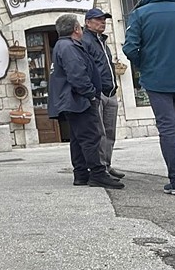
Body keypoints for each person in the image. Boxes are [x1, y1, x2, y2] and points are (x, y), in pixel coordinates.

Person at [123, 0, 175, 196]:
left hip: (157, 80)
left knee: (167, 128)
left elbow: (130, 48)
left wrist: (145, 65)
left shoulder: (140, 14)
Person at [48, 13, 122, 189]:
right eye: (80, 27)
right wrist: (91, 94)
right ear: (76, 29)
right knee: (91, 136)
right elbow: (77, 74)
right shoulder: (69, 47)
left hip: (72, 100)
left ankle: (81, 174)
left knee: (77, 138)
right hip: (78, 100)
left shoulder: (64, 45)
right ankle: (97, 174)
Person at [81, 7, 125, 181]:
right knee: (99, 133)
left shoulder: (102, 41)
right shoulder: (86, 41)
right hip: (98, 94)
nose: (102, 22)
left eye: (104, 19)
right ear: (88, 22)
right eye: (98, 19)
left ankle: (106, 164)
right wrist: (92, 91)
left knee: (110, 132)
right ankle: (99, 169)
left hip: (110, 92)